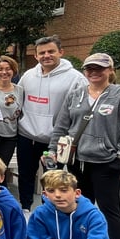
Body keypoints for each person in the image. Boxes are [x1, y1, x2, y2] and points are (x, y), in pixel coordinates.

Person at [49, 53, 120, 239]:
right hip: (76, 161)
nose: (93, 73)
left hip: (106, 162)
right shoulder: (76, 95)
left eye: (99, 68)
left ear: (110, 69)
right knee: (81, 205)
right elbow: (61, 125)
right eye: (89, 69)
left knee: (110, 209)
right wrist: (53, 151)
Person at [16, 35, 87, 212]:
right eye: (42, 52)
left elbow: (81, 109)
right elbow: (19, 100)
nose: (46, 55)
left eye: (51, 51)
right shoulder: (28, 75)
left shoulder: (75, 78)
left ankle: (49, 212)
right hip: (27, 135)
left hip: (55, 141)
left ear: (61, 52)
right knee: (25, 175)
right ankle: (25, 209)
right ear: (36, 56)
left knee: (53, 179)